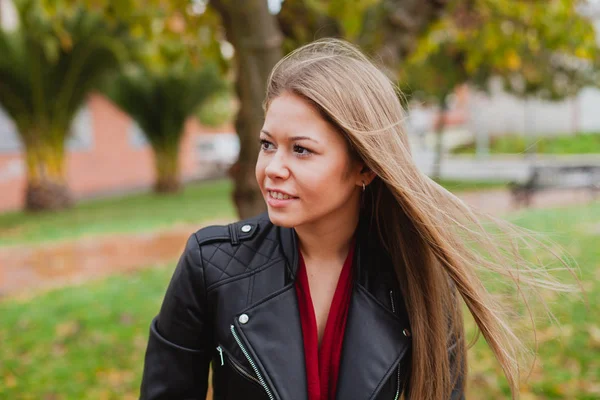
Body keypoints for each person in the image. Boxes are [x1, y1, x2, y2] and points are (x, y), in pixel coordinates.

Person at [140, 39, 571, 400]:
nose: (273, 167)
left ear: (364, 168)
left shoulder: (418, 275)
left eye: (301, 150)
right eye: (268, 144)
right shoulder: (210, 266)